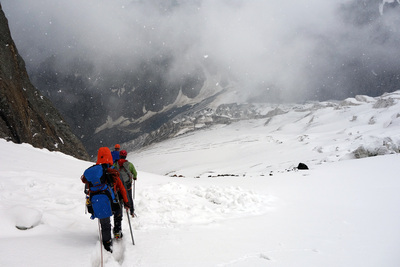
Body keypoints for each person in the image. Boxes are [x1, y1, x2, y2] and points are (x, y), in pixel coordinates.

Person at [81, 147, 130, 253]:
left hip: (99, 202)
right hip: (113, 201)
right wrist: (126, 202)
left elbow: (87, 189)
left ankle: (107, 243)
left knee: (105, 223)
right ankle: (117, 232)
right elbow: (122, 189)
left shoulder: (93, 173)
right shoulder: (113, 172)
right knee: (118, 214)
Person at [114, 150, 137, 217]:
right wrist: (134, 177)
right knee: (129, 197)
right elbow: (134, 173)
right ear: (125, 156)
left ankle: (119, 212)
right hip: (127, 184)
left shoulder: (116, 164)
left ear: (120, 156)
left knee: (119, 197)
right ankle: (132, 211)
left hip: (119, 184)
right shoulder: (129, 164)